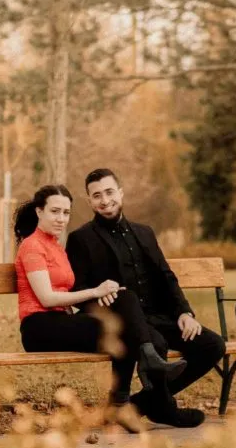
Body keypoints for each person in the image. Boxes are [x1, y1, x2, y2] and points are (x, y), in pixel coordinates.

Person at [65, 168, 227, 428]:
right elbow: (79, 291)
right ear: (89, 201)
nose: (105, 200)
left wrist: (185, 313)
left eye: (109, 192)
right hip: (126, 321)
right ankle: (164, 409)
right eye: (97, 196)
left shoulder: (145, 232)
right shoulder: (80, 239)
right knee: (157, 343)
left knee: (213, 345)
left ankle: (141, 405)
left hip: (160, 315)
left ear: (121, 193)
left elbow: (166, 277)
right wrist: (98, 300)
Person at [14, 184, 188, 403]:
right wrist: (95, 292)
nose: (61, 218)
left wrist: (107, 293)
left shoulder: (56, 246)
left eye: (66, 212)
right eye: (55, 211)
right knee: (121, 330)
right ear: (39, 211)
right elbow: (47, 298)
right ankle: (124, 396)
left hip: (61, 320)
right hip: (38, 327)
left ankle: (144, 366)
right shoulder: (32, 246)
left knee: (124, 299)